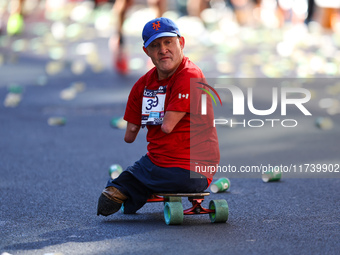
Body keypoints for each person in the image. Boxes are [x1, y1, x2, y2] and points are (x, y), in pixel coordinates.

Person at [97, 17, 220, 216]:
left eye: (168, 42)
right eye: (155, 45)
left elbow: (164, 127)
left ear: (181, 43)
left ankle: (129, 187)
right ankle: (131, 186)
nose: (163, 49)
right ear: (146, 52)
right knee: (141, 172)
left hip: (191, 170)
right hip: (169, 166)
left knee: (129, 179)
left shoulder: (189, 75)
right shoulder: (143, 84)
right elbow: (129, 136)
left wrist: (147, 111)